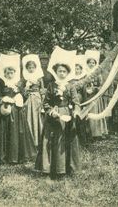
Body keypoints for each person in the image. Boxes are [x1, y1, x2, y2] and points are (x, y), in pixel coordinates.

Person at [35, 47, 81, 179]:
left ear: (67, 73)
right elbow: (46, 102)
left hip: (67, 114)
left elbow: (76, 101)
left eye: (64, 71)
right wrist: (50, 112)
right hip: (54, 115)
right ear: (55, 72)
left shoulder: (70, 86)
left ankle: (65, 169)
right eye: (59, 71)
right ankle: (50, 169)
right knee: (50, 140)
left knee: (65, 140)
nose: (62, 73)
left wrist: (76, 111)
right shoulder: (51, 85)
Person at [0, 53, 36, 164]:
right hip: (5, 111)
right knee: (5, 133)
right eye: (8, 73)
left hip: (17, 112)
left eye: (12, 72)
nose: (10, 75)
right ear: (5, 74)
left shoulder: (18, 84)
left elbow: (25, 96)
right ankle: (4, 157)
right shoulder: (1, 84)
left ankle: (16, 157)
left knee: (16, 133)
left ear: (15, 73)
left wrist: (22, 94)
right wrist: (3, 98)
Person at [83, 50, 108, 140]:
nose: (91, 64)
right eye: (89, 62)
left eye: (93, 63)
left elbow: (101, 85)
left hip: (96, 96)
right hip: (88, 96)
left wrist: (95, 89)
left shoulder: (98, 74)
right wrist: (86, 89)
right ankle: (90, 133)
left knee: (97, 112)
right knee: (89, 113)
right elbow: (82, 84)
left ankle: (98, 132)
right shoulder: (85, 73)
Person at [22, 54, 45, 148]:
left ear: (36, 68)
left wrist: (43, 99)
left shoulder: (39, 78)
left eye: (32, 67)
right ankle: (30, 140)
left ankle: (39, 139)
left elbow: (42, 89)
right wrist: (27, 87)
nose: (31, 69)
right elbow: (23, 92)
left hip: (37, 98)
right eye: (29, 68)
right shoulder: (25, 78)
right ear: (26, 68)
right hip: (28, 99)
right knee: (29, 117)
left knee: (38, 117)